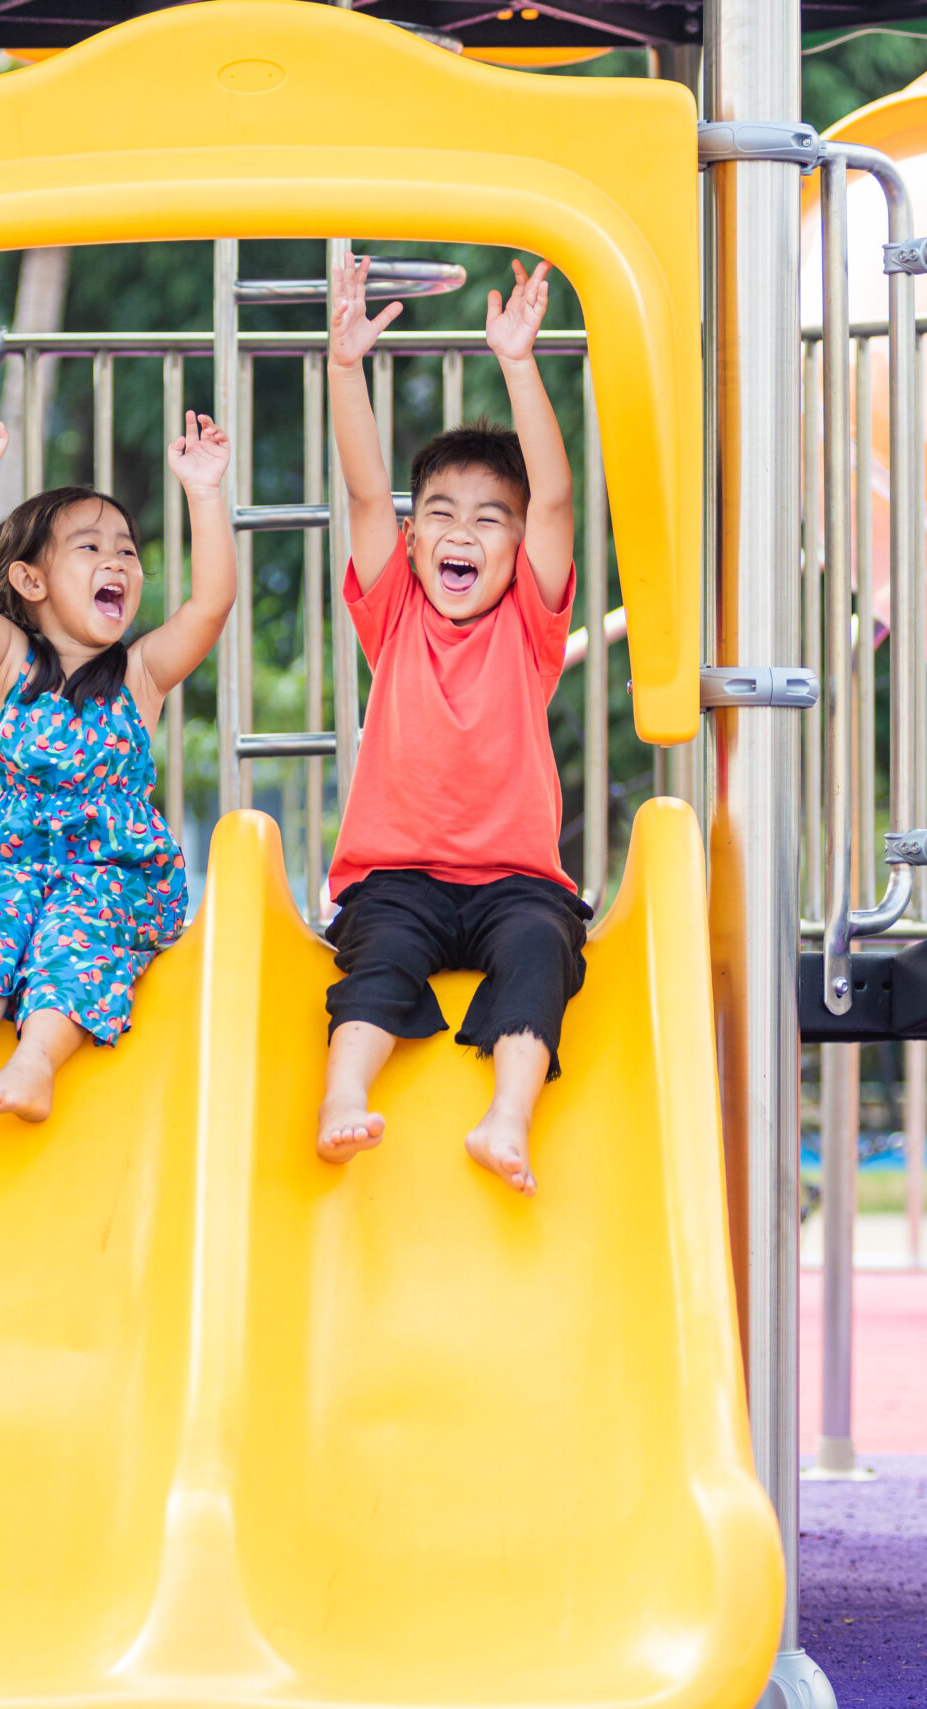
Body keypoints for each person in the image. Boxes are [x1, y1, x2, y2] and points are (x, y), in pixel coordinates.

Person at [314, 255, 588, 1196]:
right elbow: (362, 493)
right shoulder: (393, 613)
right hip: (399, 878)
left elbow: (553, 496)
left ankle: (506, 1119)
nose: (462, 532)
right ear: (415, 539)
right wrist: (345, 371)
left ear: (520, 549)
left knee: (542, 955)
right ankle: (342, 1094)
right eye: (440, 514)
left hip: (516, 883)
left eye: (490, 519)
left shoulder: (530, 624)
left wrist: (518, 361)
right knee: (377, 959)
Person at [0, 384, 234, 1121]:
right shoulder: (11, 665)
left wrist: (205, 495)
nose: (117, 560)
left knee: (74, 932)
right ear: (30, 580)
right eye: (89, 548)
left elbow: (211, 602)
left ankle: (33, 1064)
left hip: (110, 878)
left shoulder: (141, 673)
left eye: (126, 550)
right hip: (8, 861)